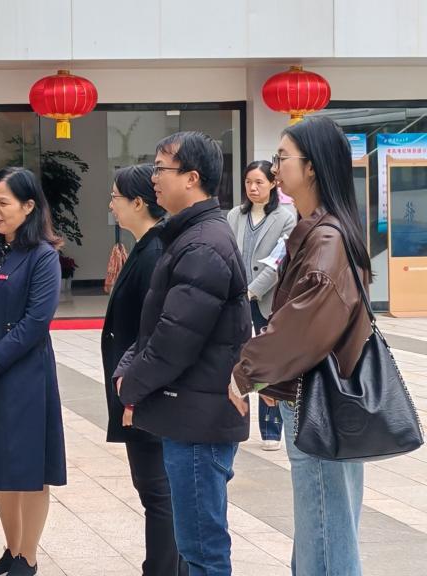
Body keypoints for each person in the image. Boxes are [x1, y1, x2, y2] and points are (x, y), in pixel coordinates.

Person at [229, 117, 373, 576]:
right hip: (326, 398)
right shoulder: (326, 229)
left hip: (319, 404)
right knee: (327, 527)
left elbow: (303, 325)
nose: (274, 169)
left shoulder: (326, 237)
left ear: (311, 167)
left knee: (324, 532)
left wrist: (248, 371)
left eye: (282, 158)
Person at [113, 131, 251, 576]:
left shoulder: (203, 244)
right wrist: (129, 367)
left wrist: (131, 385)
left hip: (197, 421)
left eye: (161, 168)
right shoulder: (191, 236)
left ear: (191, 178)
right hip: (190, 413)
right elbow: (158, 326)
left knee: (202, 551)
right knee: (195, 546)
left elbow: (176, 338)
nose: (153, 177)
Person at [0, 167, 66, 576]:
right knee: (0, 464)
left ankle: (28, 557)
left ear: (29, 206)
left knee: (30, 469)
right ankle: (11, 548)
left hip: (26, 378)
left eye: (4, 203)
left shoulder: (43, 257)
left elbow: (35, 323)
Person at [101, 164, 187, 576]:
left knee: (158, 492)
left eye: (115, 197)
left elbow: (153, 333)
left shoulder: (154, 253)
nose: (110, 205)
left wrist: (135, 394)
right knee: (156, 491)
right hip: (137, 388)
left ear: (138, 203)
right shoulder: (145, 247)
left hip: (145, 393)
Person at [227, 160, 297, 451]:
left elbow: (279, 263)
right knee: (235, 357)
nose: (253, 188)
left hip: (267, 300)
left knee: (268, 360)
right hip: (236, 298)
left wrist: (252, 291)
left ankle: (271, 428)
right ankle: (233, 420)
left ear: (273, 184)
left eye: (259, 182)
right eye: (248, 182)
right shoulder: (234, 215)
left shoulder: (286, 218)